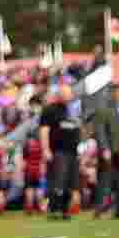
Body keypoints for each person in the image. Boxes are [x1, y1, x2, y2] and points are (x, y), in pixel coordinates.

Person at [40, 87, 80, 220]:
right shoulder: (49, 110)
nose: (69, 96)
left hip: (72, 152)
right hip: (58, 151)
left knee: (70, 184)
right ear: (60, 95)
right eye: (67, 94)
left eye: (70, 94)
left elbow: (77, 129)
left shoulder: (72, 110)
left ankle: (64, 210)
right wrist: (46, 149)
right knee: (57, 183)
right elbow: (44, 130)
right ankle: (54, 209)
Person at [89, 85, 119, 219]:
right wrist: (104, 148)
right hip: (108, 151)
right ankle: (100, 210)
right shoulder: (102, 108)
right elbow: (100, 130)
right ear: (112, 93)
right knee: (104, 181)